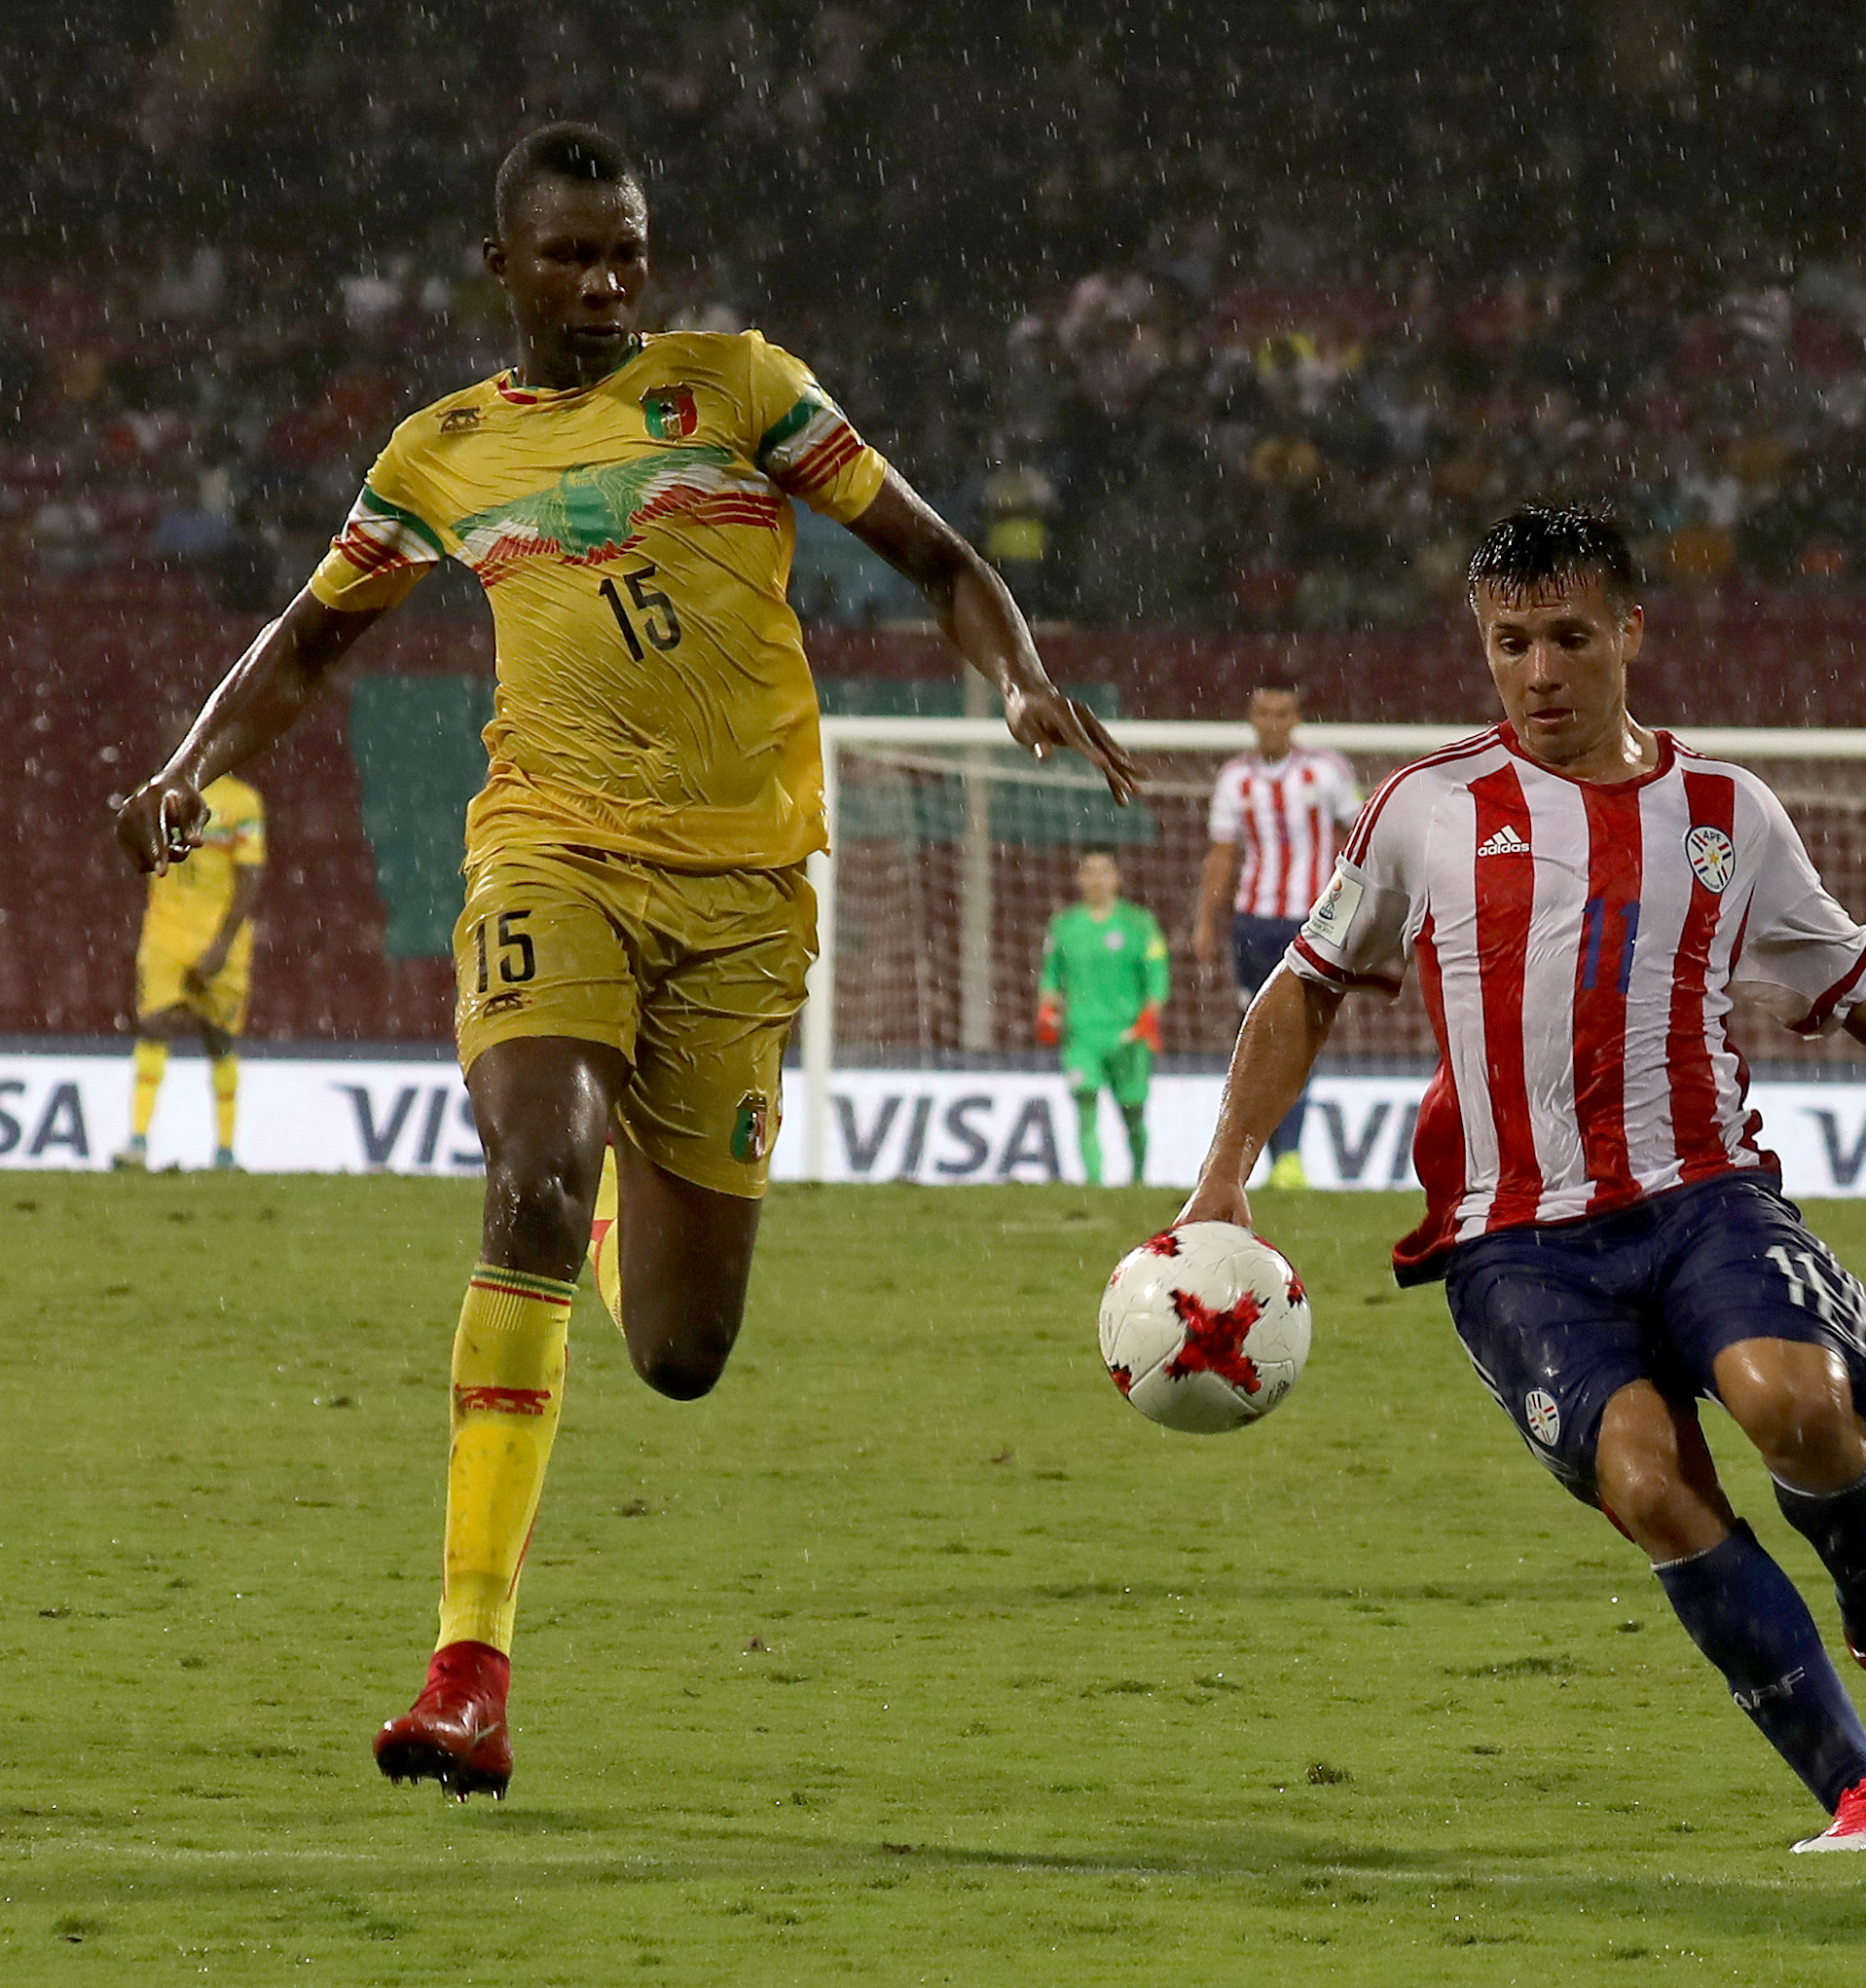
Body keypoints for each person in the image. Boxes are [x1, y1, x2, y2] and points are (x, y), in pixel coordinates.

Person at [112, 123, 1135, 1800]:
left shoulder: (738, 389)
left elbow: (941, 559)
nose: (603, 284)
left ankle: (602, 1194)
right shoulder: (439, 453)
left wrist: (1017, 676)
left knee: (676, 1349)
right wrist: (188, 765)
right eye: (571, 255)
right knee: (524, 1170)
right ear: (496, 268)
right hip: (551, 848)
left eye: (627, 255)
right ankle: (466, 1664)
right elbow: (304, 642)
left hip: (744, 896)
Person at [1179, 506, 1866, 1853]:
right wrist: (1222, 1179)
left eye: (1566, 637)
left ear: (1628, 633)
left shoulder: (1724, 811)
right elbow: (1302, 986)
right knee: (1652, 1487)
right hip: (1514, 1242)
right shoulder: (1424, 808)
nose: (1537, 671)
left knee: (1796, 1406)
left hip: (1699, 1191)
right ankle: (1861, 1788)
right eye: (1507, 642)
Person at [1191, 684, 1357, 1188]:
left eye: (1282, 712)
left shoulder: (1326, 771)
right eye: (1264, 711)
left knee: (1299, 1037)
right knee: (1254, 1041)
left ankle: (1290, 1156)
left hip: (1312, 923)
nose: (1273, 721)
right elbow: (1222, 854)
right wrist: (1204, 920)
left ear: (1297, 717)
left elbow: (1359, 841)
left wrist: (1355, 912)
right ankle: (1261, 1160)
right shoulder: (1234, 779)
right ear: (1251, 715)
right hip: (1253, 924)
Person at [118, 769, 265, 1170]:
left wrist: (222, 944)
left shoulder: (242, 802)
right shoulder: (151, 795)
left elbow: (250, 875)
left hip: (221, 935)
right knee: (154, 1024)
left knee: (219, 1037)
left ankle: (226, 1153)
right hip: (166, 933)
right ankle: (137, 1142)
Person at [1038, 849, 1171, 1187]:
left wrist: (1148, 1017)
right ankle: (1094, 1185)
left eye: (1104, 871)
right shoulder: (1064, 926)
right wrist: (1048, 1010)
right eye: (1089, 872)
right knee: (1085, 1105)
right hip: (1081, 1033)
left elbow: (1157, 976)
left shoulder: (1139, 923)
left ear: (1117, 877)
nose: (1097, 879)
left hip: (1127, 1033)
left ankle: (1139, 1178)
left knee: (1132, 1111)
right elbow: (1051, 977)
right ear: (1079, 878)